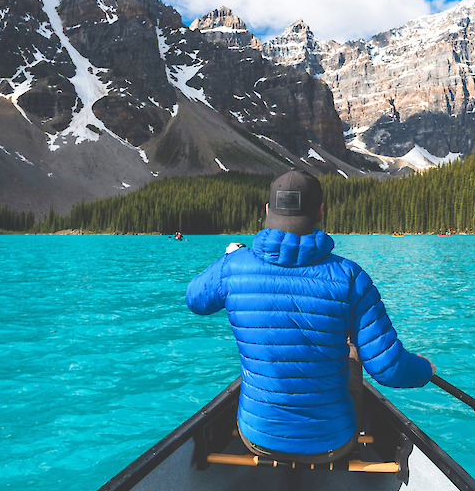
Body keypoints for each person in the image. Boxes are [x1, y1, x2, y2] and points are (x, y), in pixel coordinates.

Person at [186, 168, 435, 462]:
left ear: (268, 210)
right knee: (352, 351)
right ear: (320, 211)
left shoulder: (232, 267)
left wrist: (227, 258)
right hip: (333, 442)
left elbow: (195, 300)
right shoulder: (351, 277)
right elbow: (389, 370)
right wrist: (425, 369)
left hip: (255, 437)